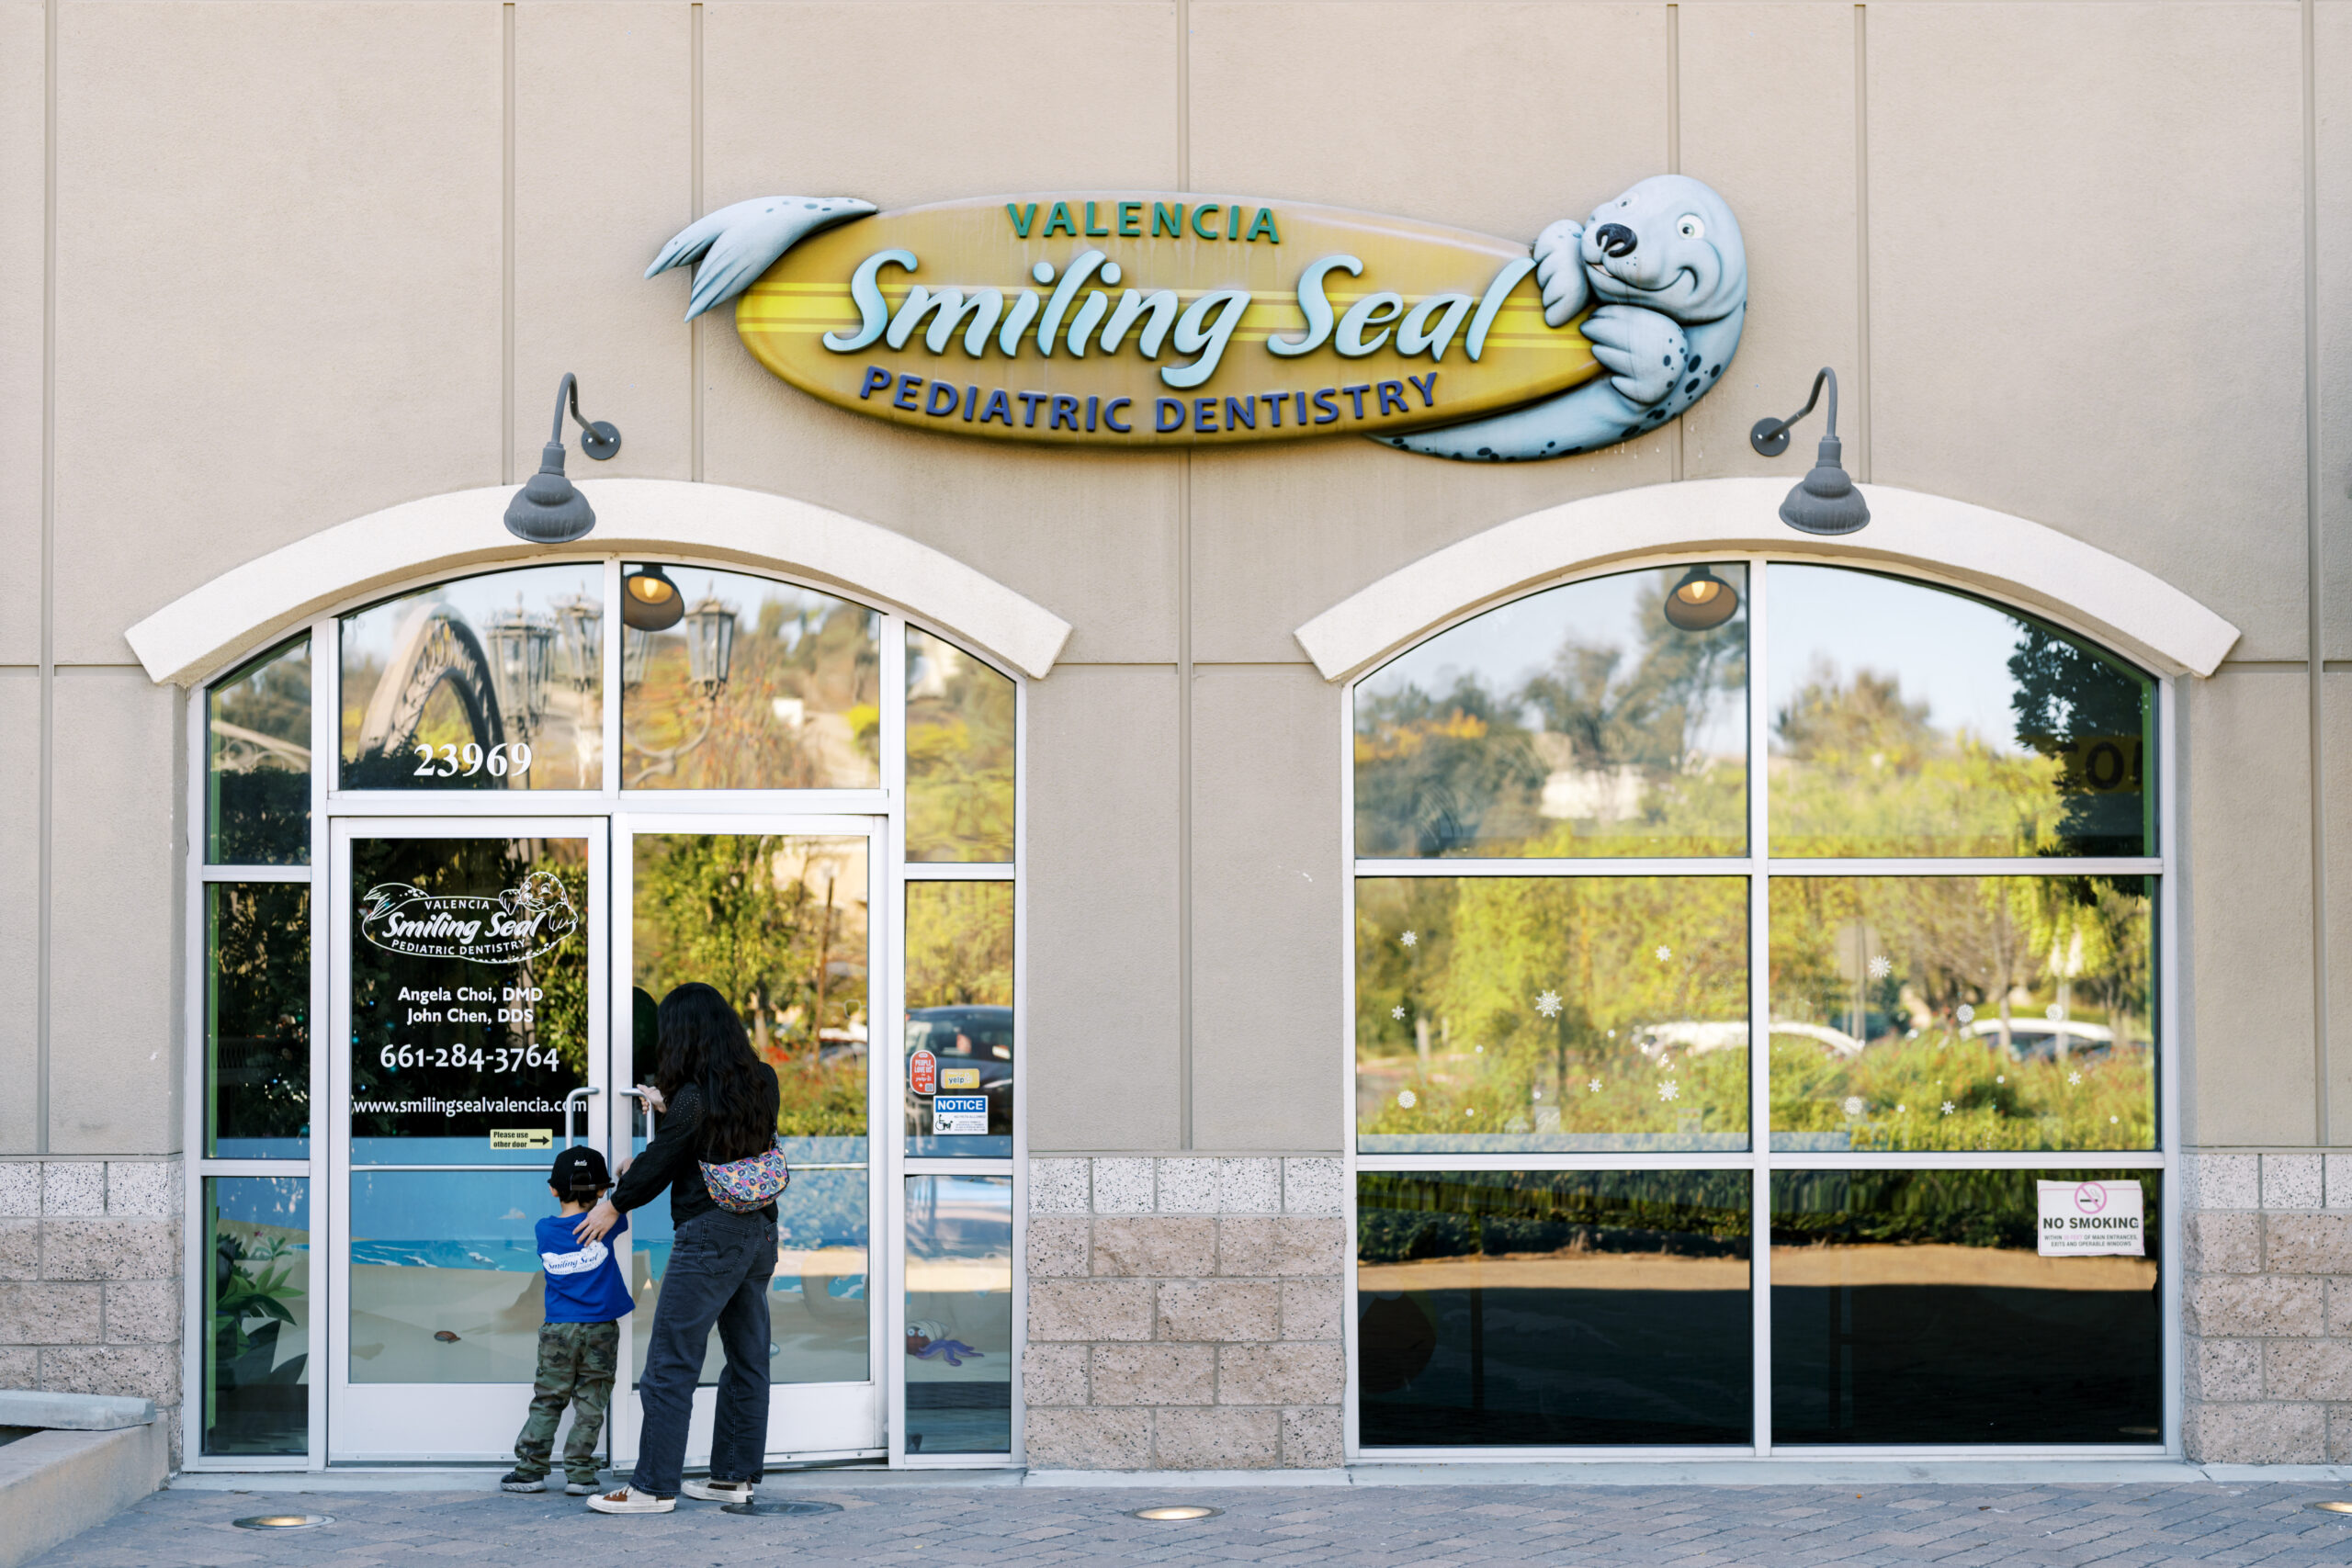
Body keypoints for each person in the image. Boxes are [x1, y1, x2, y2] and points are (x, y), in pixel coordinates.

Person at [572, 982, 780, 1515]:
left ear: (683, 1033)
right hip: (757, 1233)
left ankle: (651, 1488)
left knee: (671, 1362)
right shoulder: (762, 1081)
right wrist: (668, 1114)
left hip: (710, 1237)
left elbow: (666, 1161)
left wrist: (611, 1206)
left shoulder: (692, 1098)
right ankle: (733, 1478)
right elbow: (719, 1146)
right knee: (748, 1360)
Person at [500, 1145, 632, 1496]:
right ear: (603, 1191)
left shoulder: (544, 1229)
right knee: (592, 1399)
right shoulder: (607, 1224)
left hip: (558, 1328)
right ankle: (580, 1475)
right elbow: (625, 1203)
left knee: (548, 1398)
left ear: (553, 1189)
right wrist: (625, 1173)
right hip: (601, 1327)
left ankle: (529, 1471)